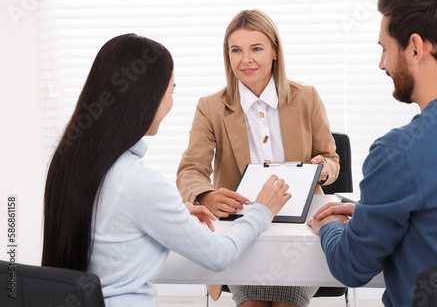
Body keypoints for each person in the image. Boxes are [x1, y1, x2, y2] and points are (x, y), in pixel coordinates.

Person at [42, 33, 292, 307]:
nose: (171, 103)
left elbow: (109, 216)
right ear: (146, 98)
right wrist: (262, 209)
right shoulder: (142, 184)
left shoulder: (67, 162)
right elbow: (219, 255)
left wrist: (170, 211)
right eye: (170, 91)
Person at [307, 0, 437, 307]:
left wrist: (329, 225)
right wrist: (372, 215)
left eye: (385, 49)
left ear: (415, 47)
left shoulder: (399, 151)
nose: (382, 64)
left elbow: (352, 267)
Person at [176, 9, 340, 307]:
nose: (245, 59)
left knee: (286, 303)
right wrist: (206, 195)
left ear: (275, 52)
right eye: (236, 50)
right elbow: (190, 170)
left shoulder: (307, 97)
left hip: (298, 232)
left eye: (256, 49)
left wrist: (325, 168)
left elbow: (331, 158)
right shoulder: (211, 107)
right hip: (243, 231)